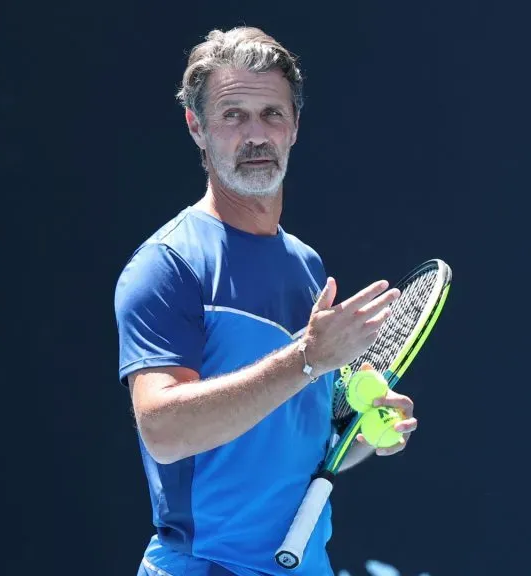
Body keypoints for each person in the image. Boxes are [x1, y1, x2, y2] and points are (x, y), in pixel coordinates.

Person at [114, 27, 418, 576]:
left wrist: (367, 433)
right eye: (233, 116)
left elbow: (299, 451)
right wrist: (306, 359)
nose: (256, 134)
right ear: (197, 128)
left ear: (294, 127)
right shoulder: (168, 264)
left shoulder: (307, 266)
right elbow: (162, 431)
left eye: (272, 114)